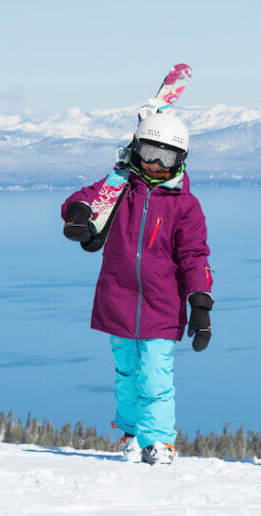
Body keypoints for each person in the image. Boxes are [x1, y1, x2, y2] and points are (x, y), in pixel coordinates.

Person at [61, 109, 213, 466]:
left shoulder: (186, 206)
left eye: (168, 157)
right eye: (150, 154)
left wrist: (201, 303)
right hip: (118, 300)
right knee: (127, 372)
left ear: (181, 161)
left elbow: (194, 255)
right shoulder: (120, 188)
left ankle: (158, 441)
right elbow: (84, 197)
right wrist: (79, 213)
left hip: (162, 307)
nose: (157, 165)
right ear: (135, 150)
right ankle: (131, 433)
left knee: (156, 374)